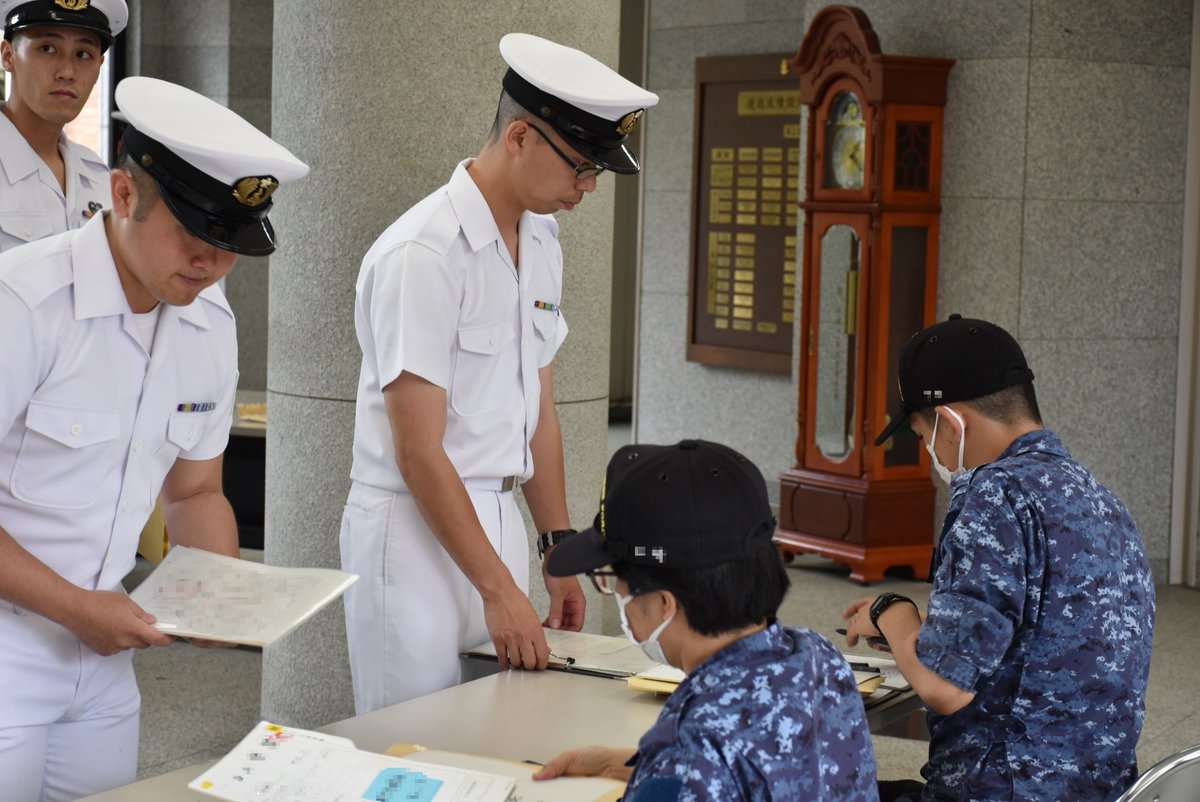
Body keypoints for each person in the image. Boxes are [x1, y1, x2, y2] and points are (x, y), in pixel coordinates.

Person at [0, 75, 308, 801]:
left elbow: (196, 489)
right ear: (125, 194)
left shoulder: (208, 324)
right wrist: (78, 610)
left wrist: (219, 595)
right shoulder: (24, 304)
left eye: (229, 242)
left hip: (105, 654)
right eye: (193, 233)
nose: (209, 262)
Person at [341, 32, 659, 713]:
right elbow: (418, 450)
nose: (590, 186)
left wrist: (557, 544)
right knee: (414, 744)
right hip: (413, 531)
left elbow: (536, 402)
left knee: (495, 730)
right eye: (581, 166)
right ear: (520, 137)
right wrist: (496, 590)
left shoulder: (541, 239)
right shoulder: (422, 254)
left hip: (499, 516)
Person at [842, 314, 1155, 802]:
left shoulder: (994, 495)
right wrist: (925, 634)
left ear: (950, 421)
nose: (930, 450)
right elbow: (1043, 643)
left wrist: (894, 614)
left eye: (924, 435)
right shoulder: (1101, 499)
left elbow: (946, 689)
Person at [533, 439, 880, 802]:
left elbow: (698, 771)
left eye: (614, 584)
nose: (618, 598)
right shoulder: (818, 656)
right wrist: (617, 765)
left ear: (663, 603)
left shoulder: (691, 749)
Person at [0, 0, 127, 253]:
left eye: (83, 54)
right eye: (47, 48)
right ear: (8, 56)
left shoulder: (98, 177)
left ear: (99, 68)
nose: (67, 72)